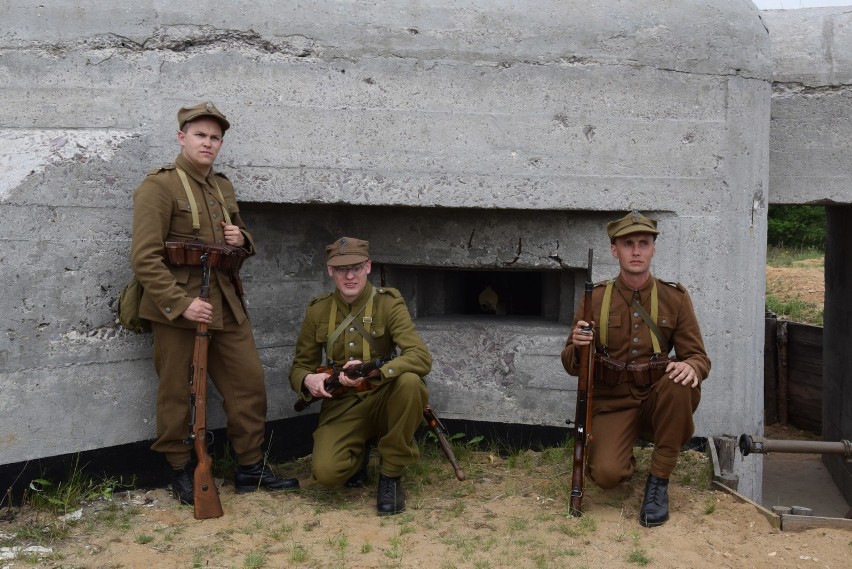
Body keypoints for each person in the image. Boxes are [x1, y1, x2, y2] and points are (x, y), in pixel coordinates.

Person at [131, 101, 298, 505]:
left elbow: (236, 235)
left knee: (248, 384)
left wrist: (243, 240)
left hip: (225, 300)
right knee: (177, 391)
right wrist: (181, 303)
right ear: (182, 137)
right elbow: (144, 258)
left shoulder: (222, 187)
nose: (208, 143)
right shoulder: (159, 186)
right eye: (200, 135)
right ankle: (180, 469)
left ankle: (250, 466)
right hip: (178, 308)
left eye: (215, 137)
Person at [561, 210, 710, 527]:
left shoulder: (675, 298)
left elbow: (698, 357)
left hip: (657, 399)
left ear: (654, 248)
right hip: (612, 403)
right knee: (607, 475)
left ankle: (658, 482)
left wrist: (692, 367)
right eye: (628, 244)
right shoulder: (596, 298)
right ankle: (619, 447)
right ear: (615, 250)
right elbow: (571, 363)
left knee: (680, 381)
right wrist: (578, 345)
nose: (637, 250)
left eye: (644, 243)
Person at [289, 237, 431, 516]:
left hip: (384, 397)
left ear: (368, 267)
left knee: (411, 382)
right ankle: (360, 452)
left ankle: (390, 475)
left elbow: (420, 356)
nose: (350, 276)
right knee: (328, 474)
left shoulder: (389, 303)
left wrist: (375, 371)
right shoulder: (318, 310)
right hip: (343, 404)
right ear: (330, 271)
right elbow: (299, 366)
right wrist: (308, 381)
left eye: (356, 267)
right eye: (341, 269)